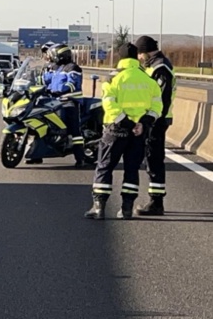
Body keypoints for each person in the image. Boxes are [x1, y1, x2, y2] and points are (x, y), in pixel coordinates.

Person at [84, 43, 164, 220]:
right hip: (138, 132)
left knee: (105, 167)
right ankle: (127, 209)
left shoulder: (113, 79)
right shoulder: (148, 80)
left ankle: (98, 208)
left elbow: (109, 105)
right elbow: (157, 105)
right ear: (137, 57)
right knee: (132, 169)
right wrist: (143, 123)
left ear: (120, 58)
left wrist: (126, 123)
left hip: (116, 130)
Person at [134, 35, 176, 216]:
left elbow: (162, 99)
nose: (139, 58)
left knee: (154, 158)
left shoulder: (160, 68)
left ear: (145, 52)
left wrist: (151, 120)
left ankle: (156, 203)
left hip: (157, 120)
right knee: (150, 158)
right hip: (154, 119)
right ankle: (155, 200)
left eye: (140, 54)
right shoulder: (153, 66)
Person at [32, 43, 87, 167]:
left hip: (69, 102)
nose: (50, 57)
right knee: (42, 124)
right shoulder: (56, 68)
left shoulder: (73, 68)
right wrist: (33, 80)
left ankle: (80, 158)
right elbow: (45, 80)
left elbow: (72, 84)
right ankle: (36, 154)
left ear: (59, 55)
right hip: (54, 101)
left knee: (74, 131)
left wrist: (59, 89)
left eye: (52, 55)